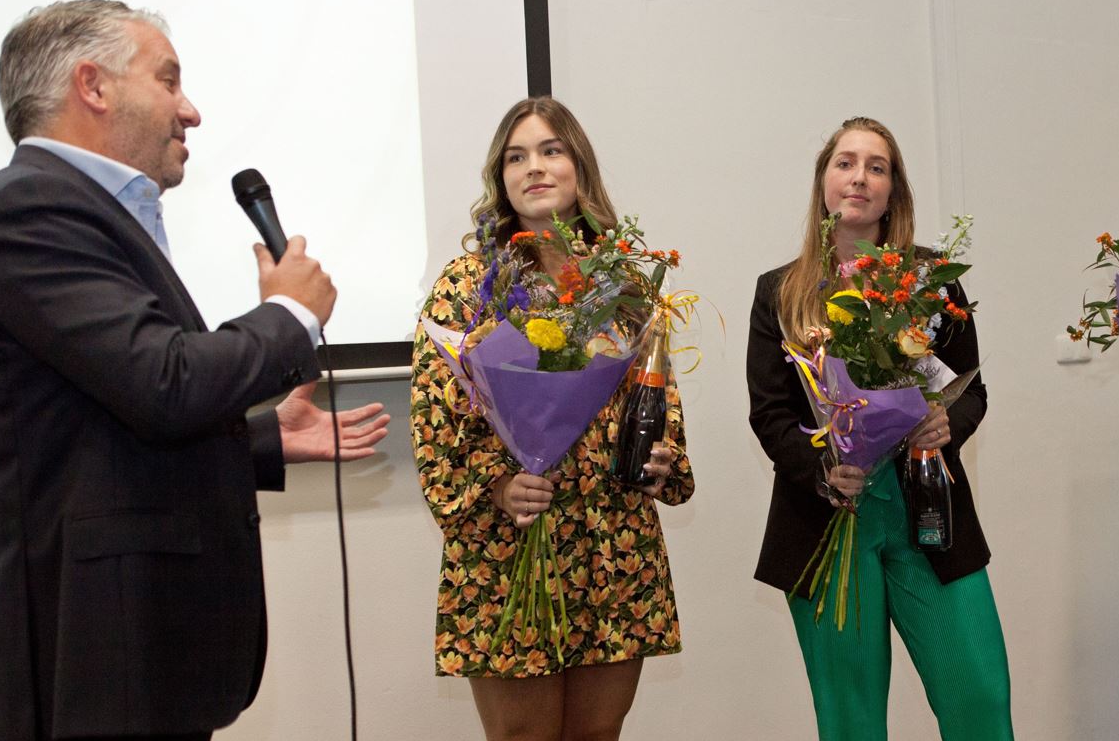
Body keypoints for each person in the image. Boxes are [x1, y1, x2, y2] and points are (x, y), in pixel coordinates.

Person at [0, 0, 391, 741]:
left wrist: (262, 438)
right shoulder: (30, 208)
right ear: (93, 85)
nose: (192, 111)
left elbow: (95, 428)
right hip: (88, 657)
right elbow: (163, 383)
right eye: (169, 80)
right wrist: (290, 316)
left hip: (128, 654)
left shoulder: (69, 208)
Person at [410, 96, 694, 741]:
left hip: (612, 539)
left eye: (550, 150)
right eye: (516, 156)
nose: (533, 167)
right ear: (500, 177)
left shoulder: (623, 283)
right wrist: (496, 487)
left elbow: (658, 394)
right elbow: (434, 419)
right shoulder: (466, 285)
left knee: (599, 734)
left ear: (579, 168)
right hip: (509, 542)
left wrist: (661, 458)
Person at [746, 116, 1012, 740]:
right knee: (852, 725)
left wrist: (948, 425)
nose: (859, 177)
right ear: (823, 181)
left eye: (877, 166)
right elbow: (771, 414)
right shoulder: (780, 292)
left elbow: (971, 393)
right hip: (828, 522)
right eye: (845, 162)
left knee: (979, 696)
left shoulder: (931, 280)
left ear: (894, 190)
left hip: (930, 517)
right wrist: (823, 468)